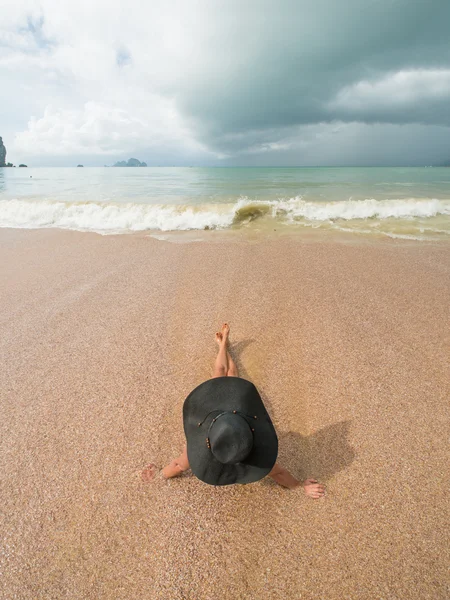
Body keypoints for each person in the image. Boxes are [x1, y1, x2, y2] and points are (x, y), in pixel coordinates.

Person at [142, 323, 326, 499]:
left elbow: (177, 465)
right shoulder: (260, 461)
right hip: (223, 410)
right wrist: (298, 485)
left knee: (229, 375)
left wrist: (161, 475)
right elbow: (279, 473)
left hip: (229, 414)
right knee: (225, 373)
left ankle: (223, 344)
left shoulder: (191, 454)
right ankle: (222, 344)